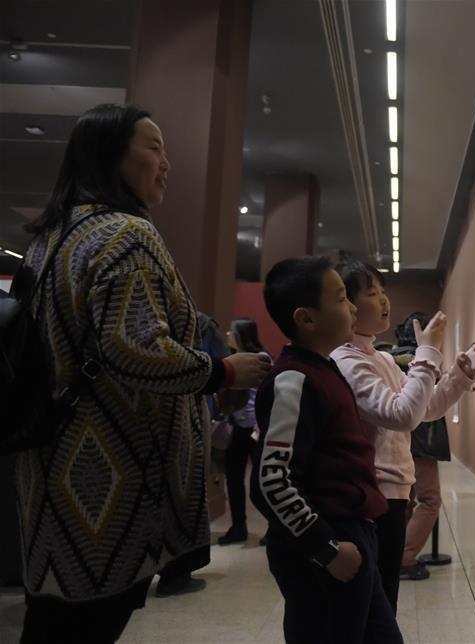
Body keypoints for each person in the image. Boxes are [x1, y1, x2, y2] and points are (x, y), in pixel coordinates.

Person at [14, 103, 270, 643]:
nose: (166, 162)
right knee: (90, 620)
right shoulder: (126, 234)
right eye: (153, 147)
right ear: (109, 154)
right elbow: (134, 351)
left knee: (57, 619)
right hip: (106, 478)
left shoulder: (50, 239)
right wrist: (223, 370)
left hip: (48, 462)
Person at [250, 256, 402, 644]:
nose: (352, 307)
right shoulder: (293, 380)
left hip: (353, 535)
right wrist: (326, 548)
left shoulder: (324, 370)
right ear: (307, 318)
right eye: (340, 299)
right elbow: (271, 481)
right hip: (326, 546)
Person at [331, 259, 475, 614]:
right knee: (375, 601)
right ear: (349, 308)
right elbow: (400, 415)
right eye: (372, 293)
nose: (384, 301)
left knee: (384, 595)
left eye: (384, 292)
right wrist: (427, 353)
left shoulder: (379, 357)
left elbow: (424, 409)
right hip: (370, 493)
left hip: (392, 491)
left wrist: (458, 377)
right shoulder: (347, 359)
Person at [391, 313, 453, 581]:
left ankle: (393, 553)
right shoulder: (426, 358)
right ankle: (404, 557)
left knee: (404, 500)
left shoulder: (389, 358)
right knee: (429, 499)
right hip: (424, 440)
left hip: (399, 438)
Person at [218, 317, 269, 546]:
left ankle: (274, 528)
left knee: (261, 483)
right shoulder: (232, 359)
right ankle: (238, 526)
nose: (228, 335)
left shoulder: (260, 359)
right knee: (234, 480)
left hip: (254, 428)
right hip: (238, 426)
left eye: (232, 331)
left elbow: (267, 394)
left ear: (241, 334)